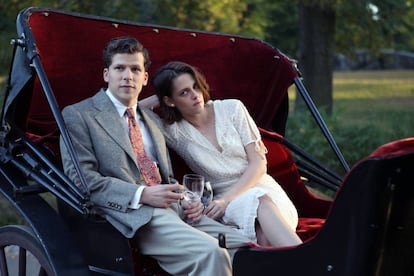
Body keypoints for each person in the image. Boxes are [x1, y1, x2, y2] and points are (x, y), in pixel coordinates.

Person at [60, 36, 250, 276]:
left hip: (175, 208)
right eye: (120, 68)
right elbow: (82, 180)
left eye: (135, 69)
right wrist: (141, 194)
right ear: (107, 74)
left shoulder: (153, 119)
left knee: (245, 248)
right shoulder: (80, 115)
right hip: (133, 214)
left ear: (145, 78)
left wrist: (185, 199)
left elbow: (166, 176)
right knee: (211, 252)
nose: (127, 76)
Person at [152, 61, 303, 247]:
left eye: (195, 86)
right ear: (169, 101)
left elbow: (258, 164)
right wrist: (161, 97)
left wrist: (225, 200)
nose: (195, 95)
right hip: (226, 203)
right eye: (184, 92)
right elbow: (134, 110)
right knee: (261, 223)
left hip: (259, 187)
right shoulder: (173, 131)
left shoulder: (232, 108)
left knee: (263, 219)